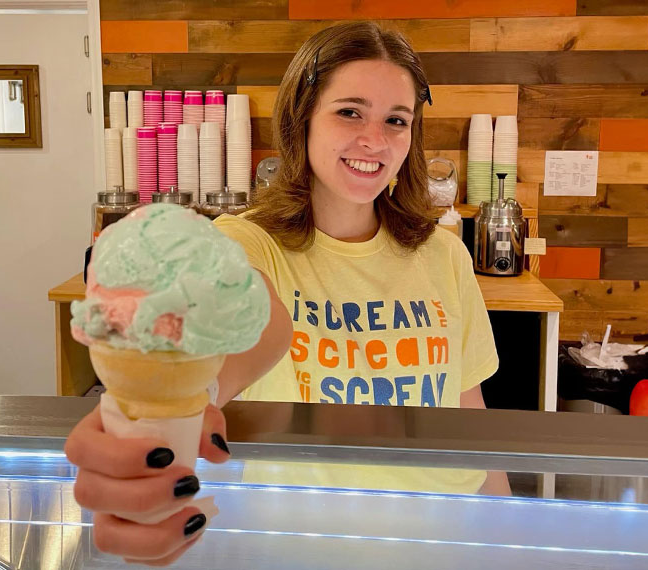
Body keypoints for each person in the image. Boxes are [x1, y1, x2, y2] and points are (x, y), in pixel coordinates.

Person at [64, 21, 507, 565]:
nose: (376, 139)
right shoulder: (246, 244)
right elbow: (255, 327)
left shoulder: (444, 255)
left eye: (397, 120)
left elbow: (467, 415)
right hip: (301, 543)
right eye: (350, 111)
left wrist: (502, 537)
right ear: (302, 119)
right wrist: (169, 413)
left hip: (438, 539)